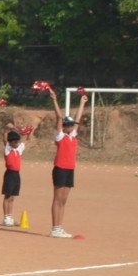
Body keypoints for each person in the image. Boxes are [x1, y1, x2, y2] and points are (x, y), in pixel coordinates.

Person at [47, 86, 87, 238]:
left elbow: (77, 119)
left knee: (64, 200)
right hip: (60, 168)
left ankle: (59, 226)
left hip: (70, 169)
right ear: (63, 126)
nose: (69, 126)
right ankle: (55, 227)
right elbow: (58, 117)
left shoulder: (72, 136)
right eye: (67, 125)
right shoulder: (60, 136)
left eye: (70, 125)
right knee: (57, 199)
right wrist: (54, 100)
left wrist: (82, 102)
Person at [1, 127, 26, 226]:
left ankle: (10, 216)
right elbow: (4, 138)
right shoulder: (8, 149)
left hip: (16, 174)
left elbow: (27, 141)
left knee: (12, 197)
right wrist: (8, 129)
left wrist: (28, 132)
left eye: (17, 142)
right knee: (7, 196)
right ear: (10, 142)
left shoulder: (18, 149)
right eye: (14, 142)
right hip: (10, 174)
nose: (16, 144)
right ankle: (6, 217)